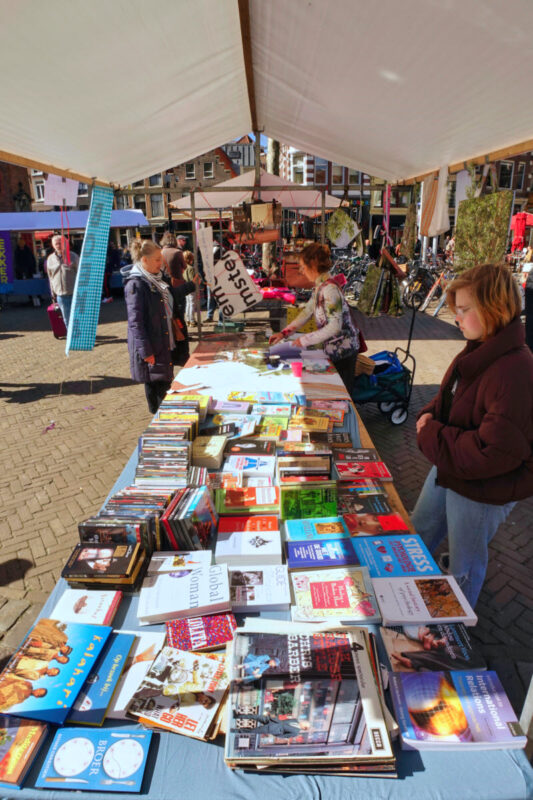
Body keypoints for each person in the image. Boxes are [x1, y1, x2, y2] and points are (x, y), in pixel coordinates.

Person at [411, 263, 533, 608]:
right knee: (418, 534)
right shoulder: (480, 347)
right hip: (452, 467)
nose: (457, 318)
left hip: (482, 485)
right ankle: (410, 601)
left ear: (494, 309)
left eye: (464, 310)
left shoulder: (515, 369)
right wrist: (428, 416)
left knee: (464, 565)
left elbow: (493, 452)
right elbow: (448, 397)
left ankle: (451, 633)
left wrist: (431, 431)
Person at [269, 243, 360, 393]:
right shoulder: (320, 287)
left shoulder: (330, 290)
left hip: (344, 353)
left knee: (341, 394)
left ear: (312, 266)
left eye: (303, 267)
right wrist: (284, 333)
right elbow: (307, 312)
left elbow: (334, 326)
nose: (302, 271)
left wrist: (304, 340)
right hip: (334, 351)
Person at [122, 239, 197, 414]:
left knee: (165, 385)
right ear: (144, 260)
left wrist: (192, 285)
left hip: (164, 341)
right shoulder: (136, 285)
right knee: (157, 389)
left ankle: (164, 418)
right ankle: (159, 422)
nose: (161, 263)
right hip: (153, 347)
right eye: (157, 259)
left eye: (160, 259)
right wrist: (146, 352)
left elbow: (173, 295)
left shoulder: (158, 279)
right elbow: (136, 323)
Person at [46, 234, 79, 327]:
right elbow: (50, 276)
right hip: (61, 294)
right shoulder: (50, 259)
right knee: (66, 318)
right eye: (56, 243)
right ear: (53, 245)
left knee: (78, 317)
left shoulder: (73, 256)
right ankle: (72, 338)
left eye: (60, 243)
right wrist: (53, 293)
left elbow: (80, 274)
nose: (58, 245)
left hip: (75, 293)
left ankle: (82, 336)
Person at [183, 250, 197, 325]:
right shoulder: (191, 268)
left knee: (188, 303)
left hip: (185, 287)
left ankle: (188, 319)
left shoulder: (184, 267)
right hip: (191, 288)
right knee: (191, 304)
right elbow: (192, 280)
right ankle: (192, 320)